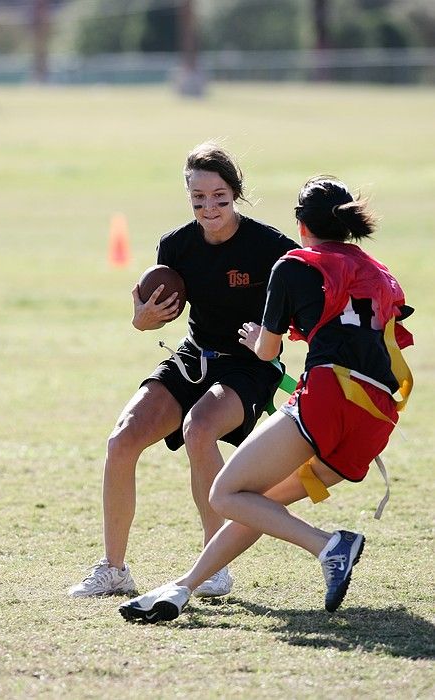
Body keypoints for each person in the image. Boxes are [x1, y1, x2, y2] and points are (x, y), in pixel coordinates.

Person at [118, 175, 414, 623]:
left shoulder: (293, 264)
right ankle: (182, 587)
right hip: (377, 415)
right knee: (258, 503)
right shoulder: (377, 269)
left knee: (226, 493)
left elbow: (269, 351)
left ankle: (329, 546)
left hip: (330, 396)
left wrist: (259, 336)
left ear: (301, 224)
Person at [69, 142, 299, 598]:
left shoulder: (271, 247)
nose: (209, 207)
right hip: (194, 356)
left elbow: (306, 309)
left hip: (249, 364)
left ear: (235, 193)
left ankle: (213, 566)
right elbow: (149, 315)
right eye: (198, 198)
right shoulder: (175, 246)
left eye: (219, 197)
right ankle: (113, 570)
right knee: (122, 439)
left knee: (200, 429)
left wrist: (271, 337)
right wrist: (141, 320)